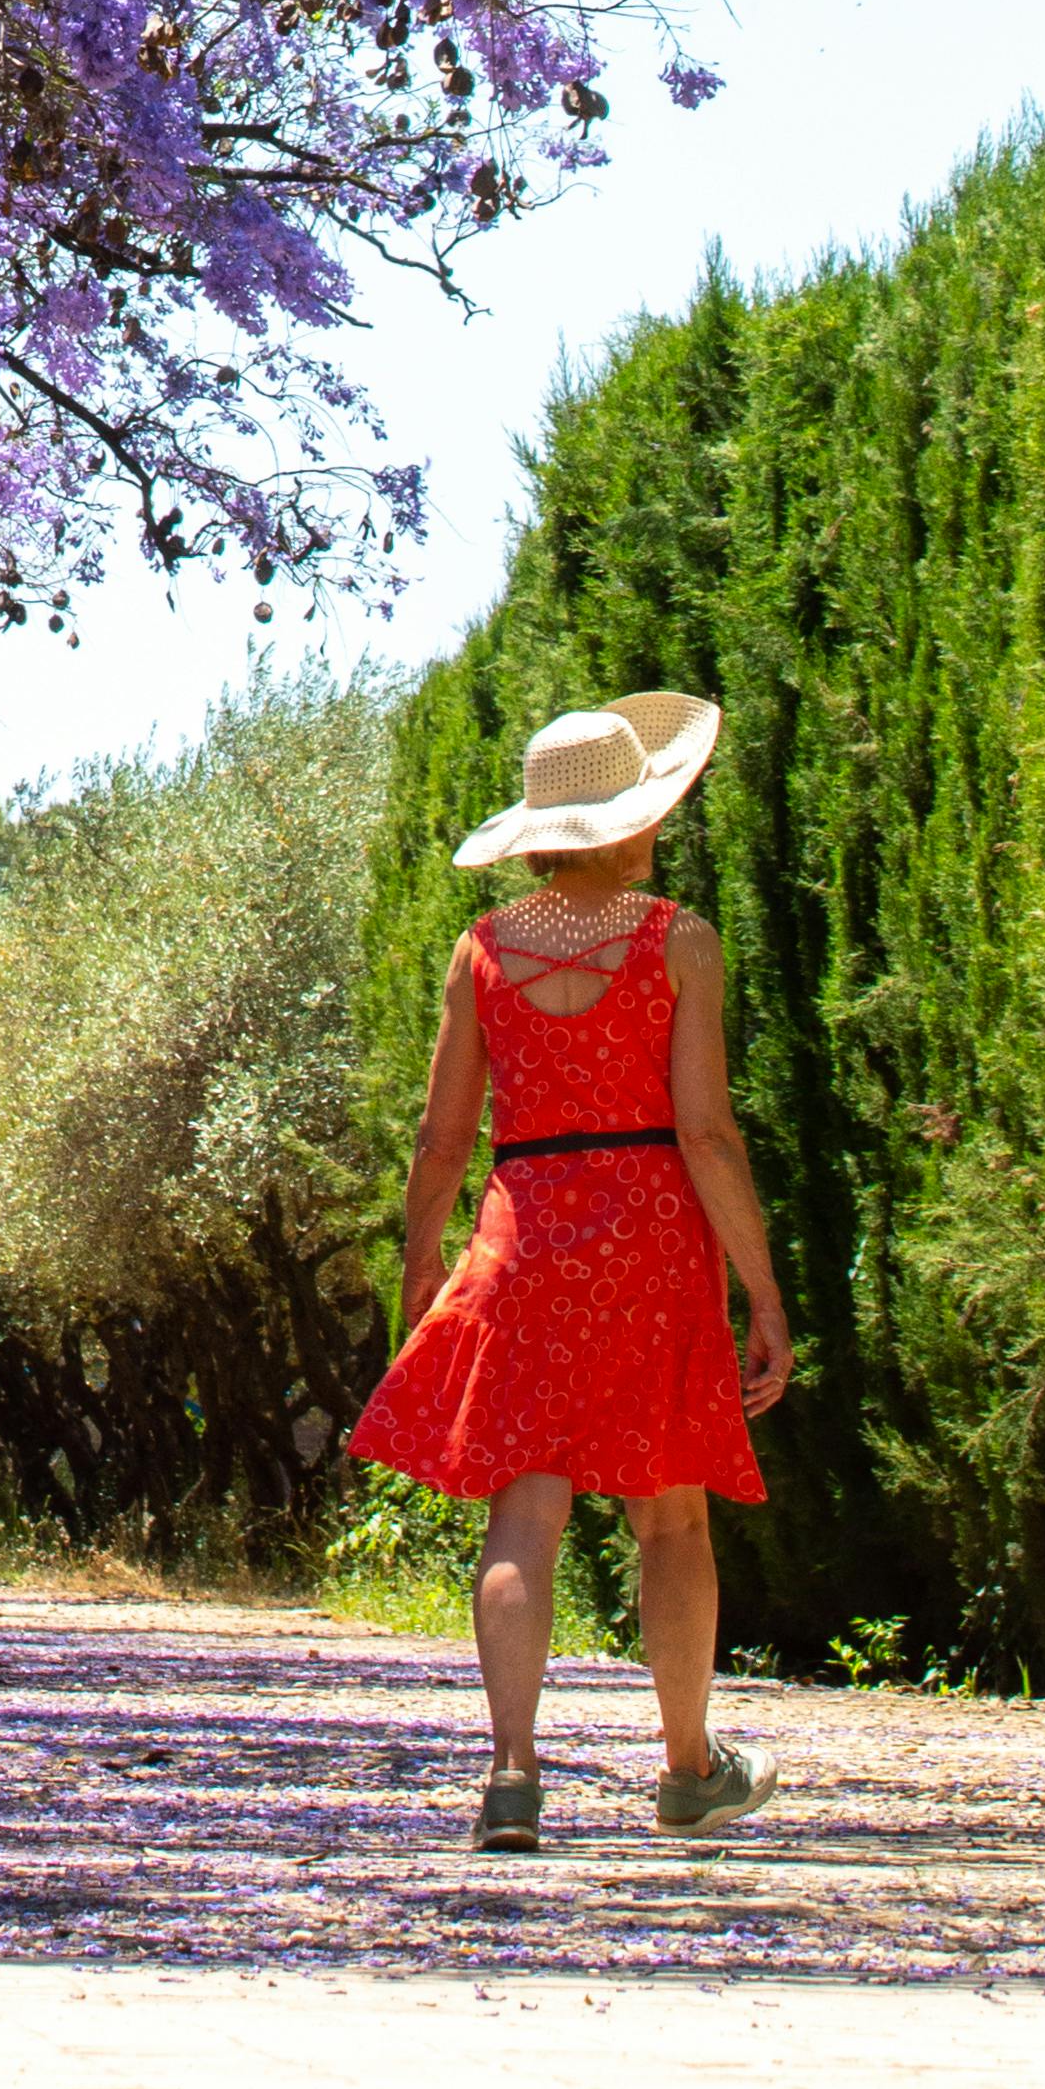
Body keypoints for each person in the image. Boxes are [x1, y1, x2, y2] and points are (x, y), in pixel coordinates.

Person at [352, 690, 795, 1854]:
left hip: (525, 1234)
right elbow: (707, 1133)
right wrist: (762, 1290)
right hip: (651, 1239)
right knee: (671, 1521)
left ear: (542, 831)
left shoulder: (483, 948)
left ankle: (508, 1777)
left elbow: (442, 1139)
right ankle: (689, 1771)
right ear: (640, 821)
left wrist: (422, 1267)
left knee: (524, 1513)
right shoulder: (677, 939)